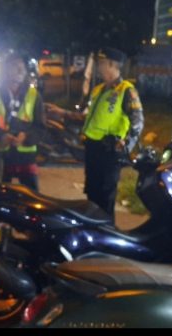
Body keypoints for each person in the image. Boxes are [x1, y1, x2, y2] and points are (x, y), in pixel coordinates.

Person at [48, 47, 144, 220]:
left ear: (112, 65)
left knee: (105, 198)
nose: (98, 67)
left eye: (101, 63)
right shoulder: (99, 89)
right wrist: (62, 112)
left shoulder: (126, 90)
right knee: (92, 195)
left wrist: (127, 144)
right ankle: (93, 229)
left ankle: (107, 231)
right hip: (93, 149)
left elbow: (138, 121)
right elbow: (86, 117)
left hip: (110, 151)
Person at [0, 53, 46, 190]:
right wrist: (1, 136)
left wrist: (26, 137)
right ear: (5, 70)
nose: (20, 70)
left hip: (26, 157)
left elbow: (40, 128)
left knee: (32, 198)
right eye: (15, 66)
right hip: (1, 157)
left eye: (23, 67)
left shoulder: (34, 96)